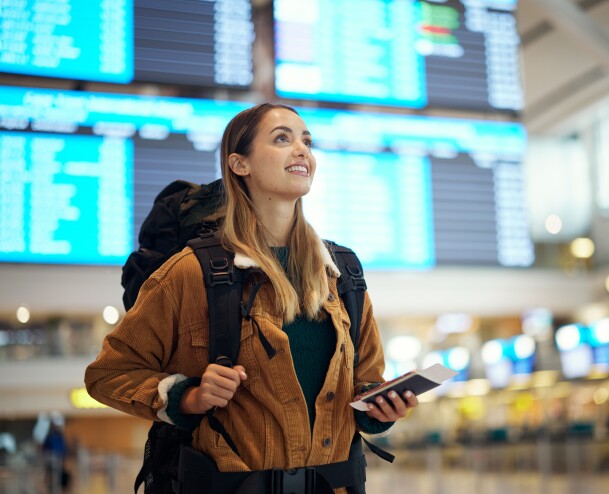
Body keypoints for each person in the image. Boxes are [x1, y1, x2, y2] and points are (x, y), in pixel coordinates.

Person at [85, 103, 418, 493]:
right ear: (239, 165)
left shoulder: (341, 274)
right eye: (282, 139)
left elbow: (365, 384)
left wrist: (379, 411)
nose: (302, 151)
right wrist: (187, 397)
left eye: (306, 141)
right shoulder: (191, 272)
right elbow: (108, 375)